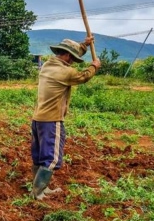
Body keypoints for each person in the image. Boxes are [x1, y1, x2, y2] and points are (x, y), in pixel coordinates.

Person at [31, 37, 101, 200]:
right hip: (52, 120)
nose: (73, 62)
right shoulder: (66, 72)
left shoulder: (47, 65)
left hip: (38, 119)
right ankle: (38, 192)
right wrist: (94, 66)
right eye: (73, 58)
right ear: (69, 57)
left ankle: (40, 188)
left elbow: (71, 57)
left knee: (40, 156)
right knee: (51, 158)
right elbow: (83, 76)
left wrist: (84, 45)